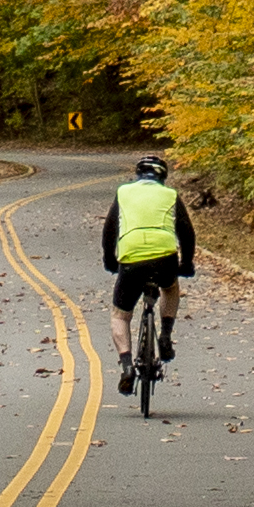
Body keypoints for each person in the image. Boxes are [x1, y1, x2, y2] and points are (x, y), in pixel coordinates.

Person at [101, 153, 192, 390]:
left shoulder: (124, 193)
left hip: (131, 259)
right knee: (170, 288)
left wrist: (110, 260)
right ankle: (165, 336)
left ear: (138, 174)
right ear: (163, 176)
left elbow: (110, 230)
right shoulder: (170, 194)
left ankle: (127, 366)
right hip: (164, 257)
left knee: (120, 314)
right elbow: (186, 231)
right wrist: (187, 263)